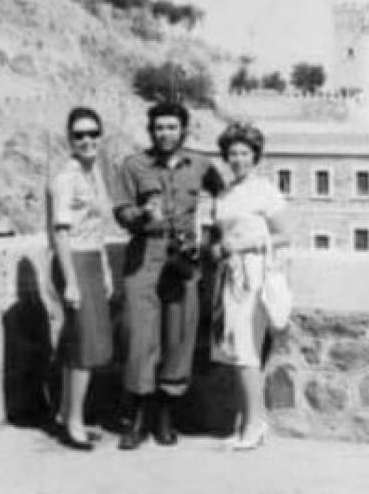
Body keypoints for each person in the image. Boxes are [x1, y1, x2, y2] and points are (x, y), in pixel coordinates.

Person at [113, 101, 223, 450]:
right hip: (145, 256)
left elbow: (227, 198)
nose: (165, 133)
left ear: (183, 130)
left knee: (178, 339)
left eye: (172, 127)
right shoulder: (134, 166)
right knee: (139, 340)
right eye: (159, 127)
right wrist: (142, 215)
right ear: (151, 131)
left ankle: (165, 417)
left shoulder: (201, 164)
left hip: (184, 260)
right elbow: (121, 212)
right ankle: (137, 420)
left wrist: (210, 240)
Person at [209, 122, 289, 451]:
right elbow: (221, 236)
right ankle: (246, 421)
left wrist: (243, 246)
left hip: (256, 274)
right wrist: (219, 248)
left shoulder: (266, 191)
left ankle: (255, 425)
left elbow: (285, 234)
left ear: (255, 156)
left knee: (247, 351)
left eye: (244, 152)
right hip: (231, 276)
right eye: (233, 153)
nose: (238, 158)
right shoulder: (225, 194)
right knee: (237, 351)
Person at [46, 106, 116, 451]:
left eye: (92, 134)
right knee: (85, 346)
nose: (87, 140)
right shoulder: (65, 178)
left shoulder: (95, 174)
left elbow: (98, 228)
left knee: (79, 342)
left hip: (91, 260)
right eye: (79, 135)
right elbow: (60, 234)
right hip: (72, 261)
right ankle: (74, 422)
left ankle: (65, 412)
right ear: (69, 140)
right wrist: (71, 281)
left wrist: (103, 267)